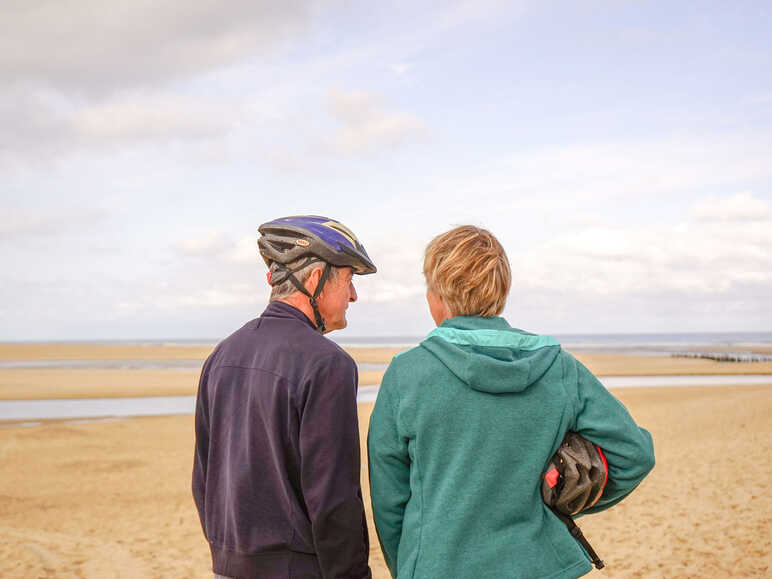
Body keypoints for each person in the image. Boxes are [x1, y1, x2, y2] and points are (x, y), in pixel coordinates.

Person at [368, 225, 655, 579]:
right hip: (540, 566)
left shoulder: (407, 373)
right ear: (501, 290)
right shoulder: (558, 366)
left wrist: (410, 567)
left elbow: (389, 501)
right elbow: (634, 455)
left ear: (439, 293)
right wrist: (562, 502)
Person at [193, 215, 376, 579]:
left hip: (228, 567)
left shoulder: (221, 356)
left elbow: (203, 477)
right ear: (314, 279)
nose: (353, 295)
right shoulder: (328, 364)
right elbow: (334, 498)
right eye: (348, 280)